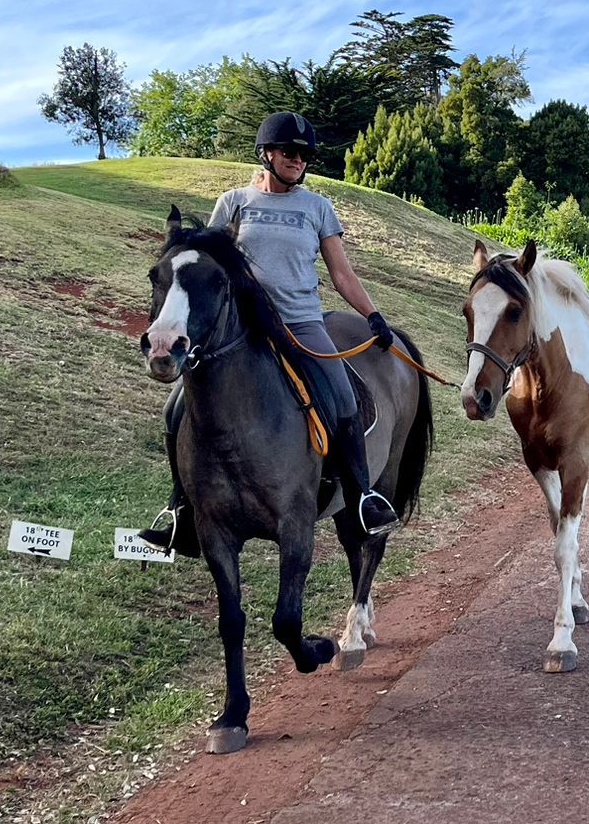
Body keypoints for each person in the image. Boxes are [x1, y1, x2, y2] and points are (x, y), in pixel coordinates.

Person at [147, 110, 402, 552]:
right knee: (175, 409)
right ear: (266, 154)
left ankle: (362, 496)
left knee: (343, 398)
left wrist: (373, 315)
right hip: (241, 327)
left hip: (303, 321)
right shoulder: (233, 203)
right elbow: (208, 264)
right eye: (289, 151)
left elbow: (341, 274)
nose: (297, 159)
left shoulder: (317, 207)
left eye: (304, 154)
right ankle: (180, 509)